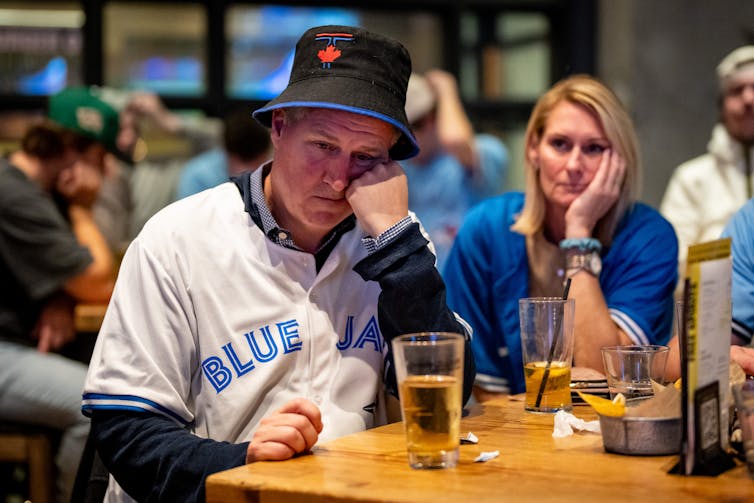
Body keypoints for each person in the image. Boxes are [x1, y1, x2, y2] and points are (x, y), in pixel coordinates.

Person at [82, 25, 476, 502]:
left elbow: (446, 397)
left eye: (365, 156)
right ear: (280, 127)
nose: (337, 179)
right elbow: (127, 435)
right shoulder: (176, 239)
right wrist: (242, 461)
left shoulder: (394, 239)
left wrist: (398, 243)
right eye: (324, 146)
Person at [443, 75, 678, 400]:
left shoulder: (650, 237)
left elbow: (608, 375)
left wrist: (578, 236)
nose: (574, 165)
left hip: (617, 429)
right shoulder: (486, 228)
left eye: (594, 148)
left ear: (620, 161)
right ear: (533, 149)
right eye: (560, 144)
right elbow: (480, 382)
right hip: (513, 432)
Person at [0, 87, 119, 503]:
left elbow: (73, 278)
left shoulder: (33, 192)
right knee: (97, 406)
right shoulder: (14, 193)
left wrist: (60, 297)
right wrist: (83, 208)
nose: (105, 172)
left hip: (19, 346)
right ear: (73, 149)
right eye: (100, 157)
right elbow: (99, 282)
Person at [660, 46, 754, 288]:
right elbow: (672, 263)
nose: (748, 99)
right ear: (721, 106)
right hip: (711, 316)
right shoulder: (691, 179)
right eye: (737, 91)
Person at [401, 69, 508, 271]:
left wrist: (446, 90)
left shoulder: (483, 152)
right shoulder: (396, 167)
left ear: (435, 118)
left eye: (416, 124)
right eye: (401, 128)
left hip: (467, 287)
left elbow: (455, 140)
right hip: (416, 292)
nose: (408, 136)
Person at [176, 108, 272, 199]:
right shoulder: (197, 177)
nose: (251, 173)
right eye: (244, 164)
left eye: (258, 163)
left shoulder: (273, 171)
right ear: (226, 153)